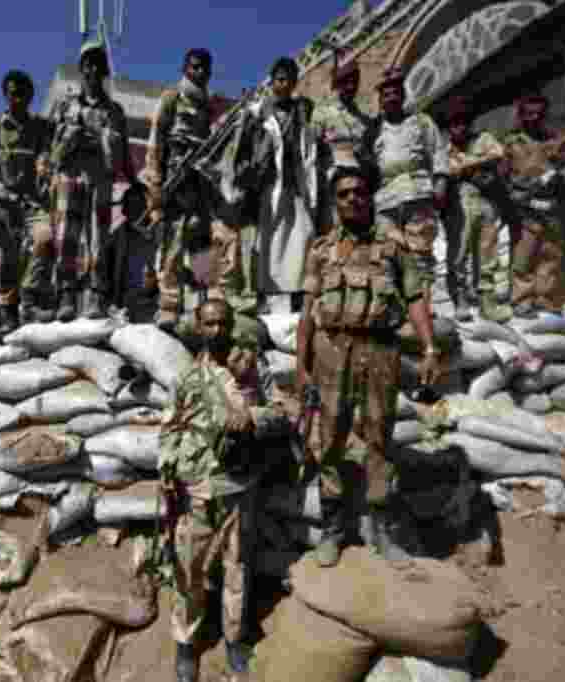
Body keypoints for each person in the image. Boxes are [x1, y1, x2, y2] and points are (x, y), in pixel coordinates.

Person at [295, 163, 440, 568]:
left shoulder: (393, 248)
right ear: (334, 201)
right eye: (343, 193)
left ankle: (383, 530)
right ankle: (333, 530)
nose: (352, 198)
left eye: (359, 191)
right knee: (331, 439)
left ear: (370, 196)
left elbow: (414, 298)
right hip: (332, 349)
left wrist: (429, 348)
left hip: (380, 351)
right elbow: (307, 311)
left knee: (379, 439)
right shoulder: (321, 249)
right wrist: (301, 364)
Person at [159, 298, 291, 682]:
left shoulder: (252, 369)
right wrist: (168, 472)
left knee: (238, 568)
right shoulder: (187, 377)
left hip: (240, 486)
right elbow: (171, 428)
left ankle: (235, 640)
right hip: (197, 490)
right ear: (198, 328)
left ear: (230, 326)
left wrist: (250, 417)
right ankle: (187, 644)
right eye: (208, 324)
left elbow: (282, 413)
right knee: (189, 572)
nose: (215, 331)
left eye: (221, 324)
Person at [47, 39, 134, 321]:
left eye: (98, 64)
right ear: (81, 69)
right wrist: (73, 136)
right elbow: (54, 148)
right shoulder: (66, 105)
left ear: (104, 70)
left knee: (99, 238)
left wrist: (100, 139)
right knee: (66, 238)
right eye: (87, 64)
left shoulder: (115, 111)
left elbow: (123, 155)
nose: (92, 70)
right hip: (71, 176)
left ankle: (97, 295)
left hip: (100, 177)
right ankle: (66, 296)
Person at [145, 48, 230, 329]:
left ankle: (205, 301)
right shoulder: (172, 98)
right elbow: (156, 141)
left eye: (205, 68)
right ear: (185, 68)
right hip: (176, 181)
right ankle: (169, 305)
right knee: (173, 242)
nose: (200, 72)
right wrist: (155, 185)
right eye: (195, 67)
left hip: (200, 183)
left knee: (203, 241)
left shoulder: (209, 106)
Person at [0, 69, 55, 330]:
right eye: (13, 94)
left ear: (31, 96)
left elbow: (49, 152)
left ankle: (30, 298)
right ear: (5, 95)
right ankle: (8, 313)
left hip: (33, 201)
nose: (18, 99)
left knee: (45, 238)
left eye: (23, 94)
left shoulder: (41, 126)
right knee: (7, 259)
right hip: (3, 203)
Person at [242, 56, 319, 313]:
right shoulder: (257, 112)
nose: (284, 85)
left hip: (295, 186)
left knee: (302, 238)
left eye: (289, 80)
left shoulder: (302, 112)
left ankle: (297, 300)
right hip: (267, 187)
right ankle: (265, 302)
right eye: (279, 79)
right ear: (272, 81)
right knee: (267, 244)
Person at [372, 66, 449, 311]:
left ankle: (423, 311)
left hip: (418, 193)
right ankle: (397, 312)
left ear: (403, 95)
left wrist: (441, 183)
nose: (391, 97)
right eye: (386, 94)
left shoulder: (421, 121)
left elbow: (438, 151)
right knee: (388, 255)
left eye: (395, 93)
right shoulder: (374, 129)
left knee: (420, 257)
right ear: (380, 100)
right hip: (386, 200)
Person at [500, 92, 565, 318]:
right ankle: (522, 299)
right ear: (522, 115)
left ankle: (545, 297)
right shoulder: (512, 142)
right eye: (529, 113)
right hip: (523, 206)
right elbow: (502, 176)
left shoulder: (554, 141)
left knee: (550, 253)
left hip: (551, 205)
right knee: (524, 255)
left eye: (539, 113)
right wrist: (512, 200)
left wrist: (560, 174)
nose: (534, 118)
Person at [441, 96, 512, 322]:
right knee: (458, 255)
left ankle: (487, 303)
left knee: (488, 255)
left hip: (486, 202)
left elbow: (498, 153)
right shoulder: (445, 149)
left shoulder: (484, 138)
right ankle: (460, 300)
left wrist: (468, 164)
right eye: (454, 123)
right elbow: (449, 171)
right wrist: (478, 163)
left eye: (463, 122)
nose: (459, 127)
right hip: (460, 204)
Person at [311, 53, 377, 233]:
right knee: (334, 235)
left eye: (354, 80)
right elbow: (311, 153)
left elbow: (372, 155)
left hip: (360, 189)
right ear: (337, 82)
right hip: (334, 187)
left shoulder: (365, 120)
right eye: (345, 80)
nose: (350, 85)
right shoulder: (322, 114)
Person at [103, 182, 160, 323]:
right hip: (126, 307)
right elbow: (107, 272)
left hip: (155, 305)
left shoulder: (162, 232)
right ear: (124, 210)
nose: (136, 209)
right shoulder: (116, 237)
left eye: (140, 204)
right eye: (130, 205)